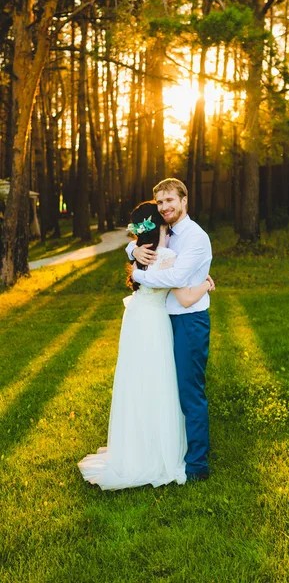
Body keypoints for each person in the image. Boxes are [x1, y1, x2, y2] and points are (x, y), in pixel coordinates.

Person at [78, 201, 213, 490]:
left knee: (137, 382)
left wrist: (134, 255)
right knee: (158, 383)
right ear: (160, 225)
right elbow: (186, 296)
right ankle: (157, 451)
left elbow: (136, 256)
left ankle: (137, 447)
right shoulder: (165, 255)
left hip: (136, 318)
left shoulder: (141, 252)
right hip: (153, 323)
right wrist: (206, 286)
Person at [128, 178, 213, 482]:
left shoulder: (195, 237)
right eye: (160, 202)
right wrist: (131, 251)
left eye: (169, 200)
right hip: (165, 319)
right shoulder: (168, 231)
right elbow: (140, 240)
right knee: (169, 389)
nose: (164, 207)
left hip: (189, 320)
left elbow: (173, 276)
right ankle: (175, 450)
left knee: (190, 392)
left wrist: (137, 273)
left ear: (184, 200)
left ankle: (197, 467)